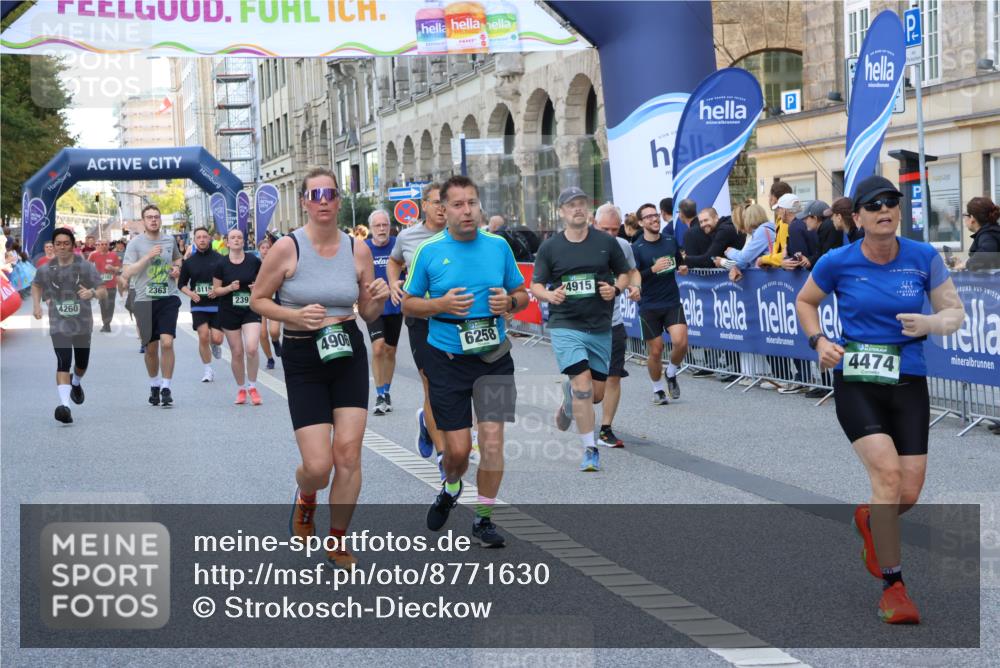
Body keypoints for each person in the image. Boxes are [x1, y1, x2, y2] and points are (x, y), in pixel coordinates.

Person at [796, 175, 964, 625]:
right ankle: (894, 588)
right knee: (888, 477)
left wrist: (930, 324)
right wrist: (819, 341)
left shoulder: (923, 257)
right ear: (858, 217)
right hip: (857, 381)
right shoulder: (837, 261)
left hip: (908, 381)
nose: (884, 210)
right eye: (873, 205)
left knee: (907, 491)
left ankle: (871, 519)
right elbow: (805, 301)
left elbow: (954, 313)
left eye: (891, 202)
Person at [251, 167, 389, 570]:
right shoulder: (287, 248)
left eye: (330, 193)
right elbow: (258, 300)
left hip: (346, 350)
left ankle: (338, 540)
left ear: (339, 200)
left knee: (348, 454)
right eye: (315, 195)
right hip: (303, 356)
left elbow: (367, 312)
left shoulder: (357, 249)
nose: (323, 201)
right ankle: (306, 495)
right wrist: (293, 316)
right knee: (318, 467)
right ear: (304, 202)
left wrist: (378, 298)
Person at [402, 175, 526, 545]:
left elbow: (521, 293)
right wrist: (440, 304)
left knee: (492, 442)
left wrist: (511, 302)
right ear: (444, 209)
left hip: (494, 358)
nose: (467, 210)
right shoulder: (429, 251)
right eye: (458, 204)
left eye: (472, 202)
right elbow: (408, 303)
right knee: (457, 452)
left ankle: (483, 519)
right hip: (447, 360)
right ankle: (451, 487)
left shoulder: (498, 246)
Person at [531, 187, 630, 472]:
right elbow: (537, 284)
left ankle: (568, 398)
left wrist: (616, 289)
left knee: (596, 394)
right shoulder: (550, 247)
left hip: (599, 326)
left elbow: (624, 273)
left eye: (581, 204)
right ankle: (590, 449)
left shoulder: (606, 242)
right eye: (571, 204)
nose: (577, 208)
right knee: (584, 387)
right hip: (566, 324)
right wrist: (549, 295)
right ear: (561, 211)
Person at [387, 183, 449, 471]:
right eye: (436, 202)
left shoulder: (461, 234)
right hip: (421, 319)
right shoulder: (408, 236)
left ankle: (427, 421)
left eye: (446, 202)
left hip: (454, 319)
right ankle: (442, 454)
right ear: (424, 205)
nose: (442, 208)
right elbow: (394, 261)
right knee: (432, 383)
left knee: (457, 384)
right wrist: (393, 283)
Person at [31, 228, 106, 424]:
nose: (62, 247)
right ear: (53, 246)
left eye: (66, 243)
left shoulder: (85, 267)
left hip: (82, 324)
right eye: (58, 244)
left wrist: (92, 293)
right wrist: (36, 305)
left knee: (82, 364)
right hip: (59, 324)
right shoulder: (46, 269)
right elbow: (36, 285)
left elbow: (103, 290)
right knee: (63, 361)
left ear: (72, 245)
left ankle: (76, 381)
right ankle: (65, 407)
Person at [122, 204, 182, 407]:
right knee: (151, 347)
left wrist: (176, 269)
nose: (154, 220)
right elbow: (127, 272)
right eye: (149, 217)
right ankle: (154, 384)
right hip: (144, 300)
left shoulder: (169, 240)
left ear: (160, 219)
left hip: (168, 297)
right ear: (143, 221)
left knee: (167, 342)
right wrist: (147, 257)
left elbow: (177, 259)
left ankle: (166, 387)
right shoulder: (135, 244)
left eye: (156, 216)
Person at [593, 202, 641, 447]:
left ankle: (606, 429)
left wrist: (636, 286)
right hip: (583, 325)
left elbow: (633, 271)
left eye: (615, 229)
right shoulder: (576, 246)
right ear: (594, 224)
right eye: (605, 229)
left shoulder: (623, 246)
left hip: (613, 323)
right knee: (594, 392)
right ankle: (572, 392)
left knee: (613, 377)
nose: (611, 235)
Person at [632, 202, 689, 404]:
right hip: (649, 306)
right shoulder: (637, 248)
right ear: (641, 223)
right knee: (656, 350)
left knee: (681, 342)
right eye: (648, 217)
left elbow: (679, 262)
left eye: (655, 215)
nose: (654, 219)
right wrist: (652, 270)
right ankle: (657, 389)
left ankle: (671, 373)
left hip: (671, 301)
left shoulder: (670, 240)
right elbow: (633, 276)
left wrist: (682, 267)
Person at [214, 228, 264, 405]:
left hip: (250, 308)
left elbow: (264, 282)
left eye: (239, 237)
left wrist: (257, 287)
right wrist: (229, 288)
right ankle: (241, 388)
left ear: (243, 241)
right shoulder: (221, 264)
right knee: (236, 352)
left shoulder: (253, 261)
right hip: (229, 310)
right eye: (233, 238)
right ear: (227, 242)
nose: (236, 240)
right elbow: (216, 290)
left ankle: (253, 386)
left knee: (252, 348)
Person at [365, 209, 402, 415]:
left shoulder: (398, 245)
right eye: (377, 225)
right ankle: (379, 395)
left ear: (390, 226)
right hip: (373, 306)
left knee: (390, 350)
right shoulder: (364, 248)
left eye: (385, 225)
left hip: (394, 305)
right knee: (378, 348)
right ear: (371, 228)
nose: (381, 229)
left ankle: (387, 391)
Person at [179, 226, 225, 382]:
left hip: (218, 304)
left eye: (205, 237)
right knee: (203, 335)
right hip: (199, 304)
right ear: (194, 240)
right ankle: (208, 370)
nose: (202, 240)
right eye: (199, 237)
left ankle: (215, 344)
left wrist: (218, 290)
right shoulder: (189, 262)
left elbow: (227, 279)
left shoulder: (220, 259)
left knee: (217, 339)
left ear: (209, 239)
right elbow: (181, 284)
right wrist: (191, 293)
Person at [255, 236, 282, 370]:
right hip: (259, 301)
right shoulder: (254, 264)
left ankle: (276, 341)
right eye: (263, 248)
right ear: (258, 250)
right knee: (262, 333)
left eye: (268, 247)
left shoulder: (277, 263)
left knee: (274, 331)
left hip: (274, 300)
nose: (265, 250)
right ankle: (270, 358)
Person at [953, 196, 1000, 272]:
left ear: (972, 218)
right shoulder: (990, 232)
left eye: (965, 215)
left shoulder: (988, 235)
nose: (964, 219)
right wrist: (962, 263)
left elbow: (986, 253)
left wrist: (965, 264)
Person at [87, 238, 121, 332]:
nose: (104, 246)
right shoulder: (94, 255)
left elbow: (118, 269)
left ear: (109, 245)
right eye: (102, 244)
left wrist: (112, 268)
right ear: (99, 245)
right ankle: (106, 324)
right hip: (100, 285)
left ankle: (107, 323)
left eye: (106, 244)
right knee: (103, 305)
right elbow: (87, 267)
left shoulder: (113, 255)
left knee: (110, 305)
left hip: (111, 284)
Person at [799, 200, 841, 270]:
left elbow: (825, 257)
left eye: (806, 218)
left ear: (815, 218)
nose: (804, 221)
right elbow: (821, 253)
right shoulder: (826, 226)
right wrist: (810, 260)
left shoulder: (826, 227)